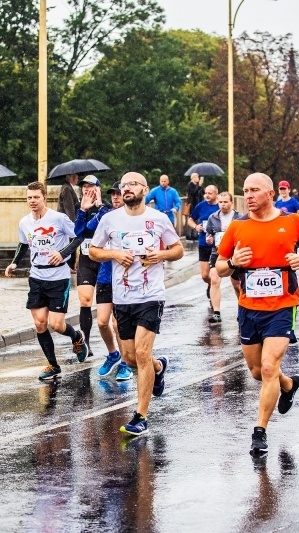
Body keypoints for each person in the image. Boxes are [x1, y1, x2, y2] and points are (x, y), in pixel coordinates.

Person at [214, 172, 299, 455]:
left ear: (271, 193)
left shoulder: (291, 221)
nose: (248, 196)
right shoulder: (238, 227)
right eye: (245, 191)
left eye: (254, 190)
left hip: (283, 306)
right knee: (257, 371)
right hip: (249, 308)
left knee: (269, 366)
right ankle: (288, 385)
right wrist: (234, 262)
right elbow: (220, 267)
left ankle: (260, 431)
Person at [89, 172, 184, 436]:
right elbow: (94, 251)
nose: (126, 188)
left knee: (142, 354)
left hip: (151, 296)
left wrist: (161, 254)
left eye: (132, 184)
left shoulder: (158, 219)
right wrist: (114, 253)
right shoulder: (110, 220)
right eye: (123, 185)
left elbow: (177, 249)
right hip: (122, 297)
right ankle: (159, 366)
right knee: (130, 359)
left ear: (145, 189)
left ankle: (140, 416)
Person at [5, 181, 88, 380]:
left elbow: (79, 237)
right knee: (40, 324)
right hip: (37, 276)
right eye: (29, 198)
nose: (32, 201)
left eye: (36, 197)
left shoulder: (59, 219)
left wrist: (63, 253)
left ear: (44, 198)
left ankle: (77, 337)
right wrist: (14, 263)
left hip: (58, 277)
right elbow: (23, 244)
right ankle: (53, 365)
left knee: (57, 325)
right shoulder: (24, 222)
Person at [84, 182, 133, 382]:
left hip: (124, 276)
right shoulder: (105, 216)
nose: (115, 197)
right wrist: (86, 209)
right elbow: (85, 231)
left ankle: (125, 364)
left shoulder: (132, 218)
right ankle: (113, 354)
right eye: (112, 194)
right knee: (103, 322)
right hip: (105, 275)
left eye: (118, 194)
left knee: (117, 323)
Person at [73, 175, 107, 358]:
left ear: (98, 188)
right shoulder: (80, 207)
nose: (87, 189)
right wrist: (82, 211)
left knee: (105, 310)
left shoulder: (106, 207)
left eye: (91, 186)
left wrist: (99, 207)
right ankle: (85, 342)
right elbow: (78, 232)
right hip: (86, 260)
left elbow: (100, 228)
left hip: (103, 262)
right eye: (84, 187)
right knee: (85, 300)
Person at [205, 192, 245, 322]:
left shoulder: (240, 217)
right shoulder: (213, 217)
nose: (223, 204)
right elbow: (210, 234)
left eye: (225, 202)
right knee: (214, 280)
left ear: (231, 203)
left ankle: (242, 308)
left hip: (235, 254)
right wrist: (209, 239)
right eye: (221, 202)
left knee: (236, 284)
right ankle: (216, 312)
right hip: (218, 252)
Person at [188, 185, 220, 311]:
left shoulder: (220, 206)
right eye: (205, 193)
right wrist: (196, 227)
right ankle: (210, 286)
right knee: (205, 275)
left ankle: (214, 297)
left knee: (215, 275)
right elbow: (190, 219)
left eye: (210, 193)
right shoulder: (200, 206)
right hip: (203, 243)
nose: (207, 195)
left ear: (216, 194)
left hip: (217, 244)